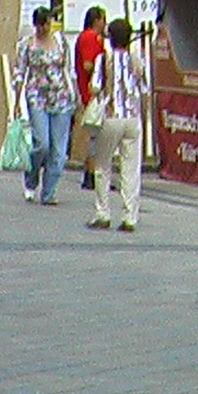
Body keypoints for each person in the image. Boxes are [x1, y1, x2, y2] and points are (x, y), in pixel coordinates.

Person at [87, 17, 148, 233]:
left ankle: (103, 213)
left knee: (103, 166)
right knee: (131, 168)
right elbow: (144, 89)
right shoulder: (137, 60)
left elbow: (95, 87)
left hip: (111, 116)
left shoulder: (103, 60)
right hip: (133, 118)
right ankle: (130, 216)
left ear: (111, 39)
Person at [14, 6, 77, 206]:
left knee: (59, 149)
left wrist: (75, 94)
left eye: (47, 24)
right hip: (37, 95)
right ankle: (31, 178)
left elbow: (68, 69)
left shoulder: (60, 42)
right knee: (42, 143)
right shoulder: (27, 45)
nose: (44, 28)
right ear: (35, 25)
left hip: (61, 96)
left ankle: (49, 192)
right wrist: (16, 101)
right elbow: (20, 72)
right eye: (40, 24)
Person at [75, 6, 107, 190]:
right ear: (97, 20)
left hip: (90, 91)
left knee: (96, 135)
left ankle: (91, 172)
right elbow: (88, 65)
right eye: (103, 19)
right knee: (97, 135)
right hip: (92, 92)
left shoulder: (92, 38)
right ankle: (92, 173)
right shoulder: (90, 37)